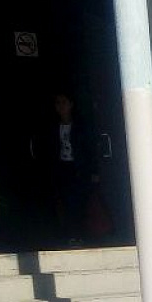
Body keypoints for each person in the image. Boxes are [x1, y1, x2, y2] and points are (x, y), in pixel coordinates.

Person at [35, 92, 99, 246]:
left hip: (79, 168)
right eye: (58, 103)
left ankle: (82, 234)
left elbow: (90, 149)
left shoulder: (80, 125)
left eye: (64, 102)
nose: (60, 106)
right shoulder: (53, 127)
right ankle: (70, 234)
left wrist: (94, 171)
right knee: (65, 202)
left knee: (80, 202)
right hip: (62, 168)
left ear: (71, 104)